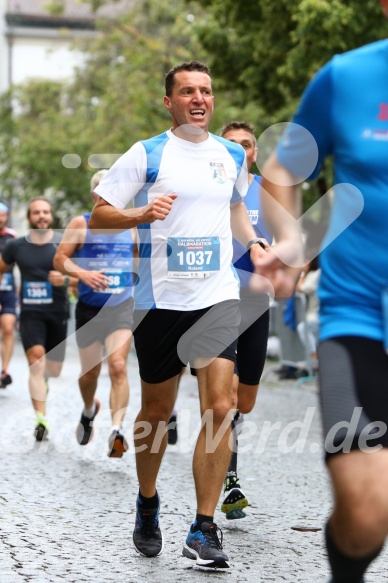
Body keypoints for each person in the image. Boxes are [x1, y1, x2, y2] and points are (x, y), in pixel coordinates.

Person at [89, 60, 266, 569]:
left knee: (220, 404)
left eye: (206, 91)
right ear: (169, 101)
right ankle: (148, 503)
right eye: (187, 91)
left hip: (216, 296)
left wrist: (251, 239)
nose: (198, 98)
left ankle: (204, 526)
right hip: (160, 301)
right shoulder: (146, 154)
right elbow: (101, 214)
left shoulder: (232, 154)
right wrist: (140, 213)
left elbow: (235, 205)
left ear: (213, 100)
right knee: (156, 413)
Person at [257, 2, 388, 580]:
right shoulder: (346, 77)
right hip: (358, 318)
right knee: (365, 511)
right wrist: (291, 241)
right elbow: (283, 170)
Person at [54, 170, 136, 458]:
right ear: (95, 196)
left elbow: (141, 260)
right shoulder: (82, 223)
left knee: (118, 366)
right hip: (89, 308)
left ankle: (117, 431)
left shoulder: (132, 225)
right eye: (106, 192)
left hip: (121, 307)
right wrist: (83, 274)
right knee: (90, 374)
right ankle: (90, 410)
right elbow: (60, 259)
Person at [217, 122, 272, 520]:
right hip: (217, 302)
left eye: (246, 144)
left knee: (245, 402)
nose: (239, 148)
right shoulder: (209, 188)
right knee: (227, 397)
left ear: (254, 152)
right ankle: (229, 479)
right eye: (231, 143)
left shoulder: (270, 192)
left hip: (256, 302)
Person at [0, 197, 74, 440]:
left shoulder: (64, 244)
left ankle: (44, 382)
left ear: (50, 216)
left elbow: (83, 278)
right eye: (36, 212)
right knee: (35, 360)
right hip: (31, 313)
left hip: (58, 312)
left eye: (45, 212)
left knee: (52, 369)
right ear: (29, 217)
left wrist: (64, 280)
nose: (41, 216)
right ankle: (40, 419)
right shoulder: (16, 246)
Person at [0, 201, 17, 388]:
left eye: (2, 215)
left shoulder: (12, 237)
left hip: (8, 291)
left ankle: (4, 371)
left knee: (7, 328)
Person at [296, 256, 320, 366]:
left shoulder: (316, 274)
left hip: (316, 315)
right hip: (314, 315)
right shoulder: (313, 274)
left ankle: (314, 356)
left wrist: (301, 274)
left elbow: (300, 288)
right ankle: (315, 357)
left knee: (303, 328)